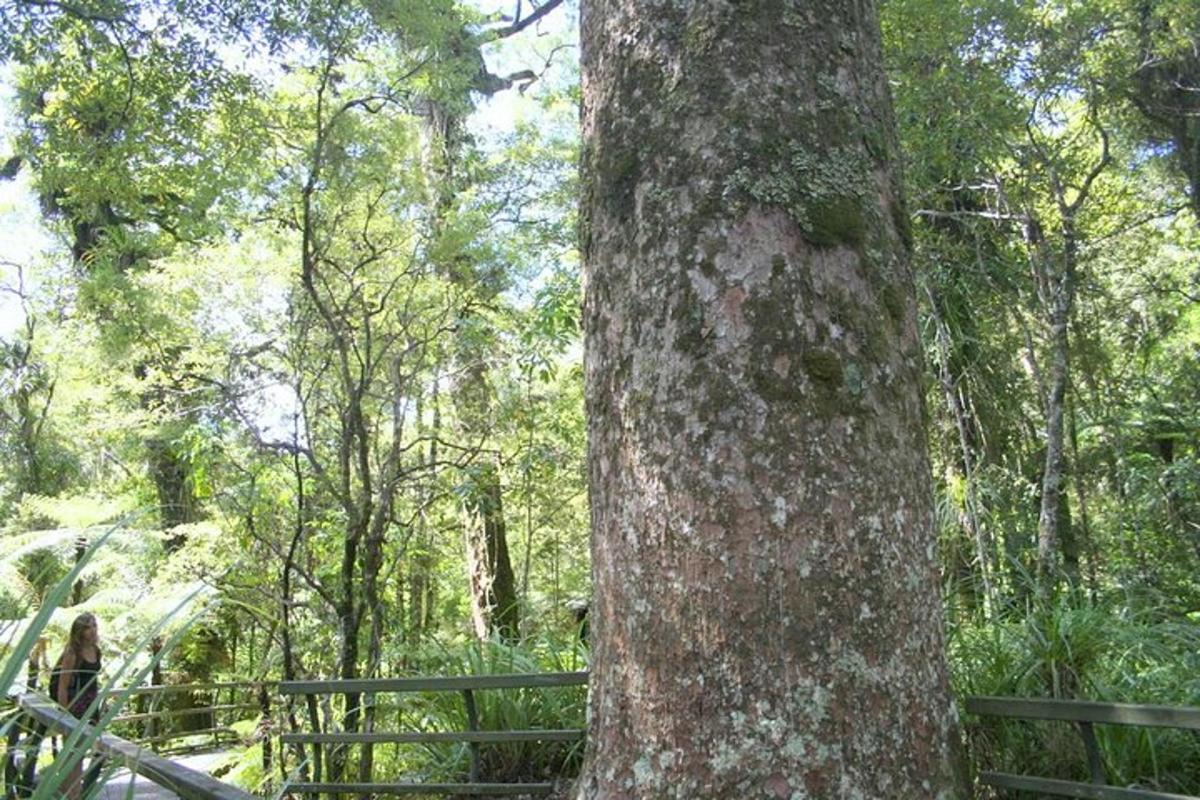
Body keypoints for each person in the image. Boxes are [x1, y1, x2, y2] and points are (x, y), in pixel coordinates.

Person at [53, 612, 102, 800]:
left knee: (87, 750)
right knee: (73, 753)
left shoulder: (96, 650)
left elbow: (94, 679)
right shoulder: (72, 652)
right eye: (87, 627)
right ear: (79, 631)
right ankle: (70, 795)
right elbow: (62, 686)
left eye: (94, 626)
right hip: (75, 705)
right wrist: (65, 715)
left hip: (92, 704)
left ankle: (76, 793)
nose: (92, 631)